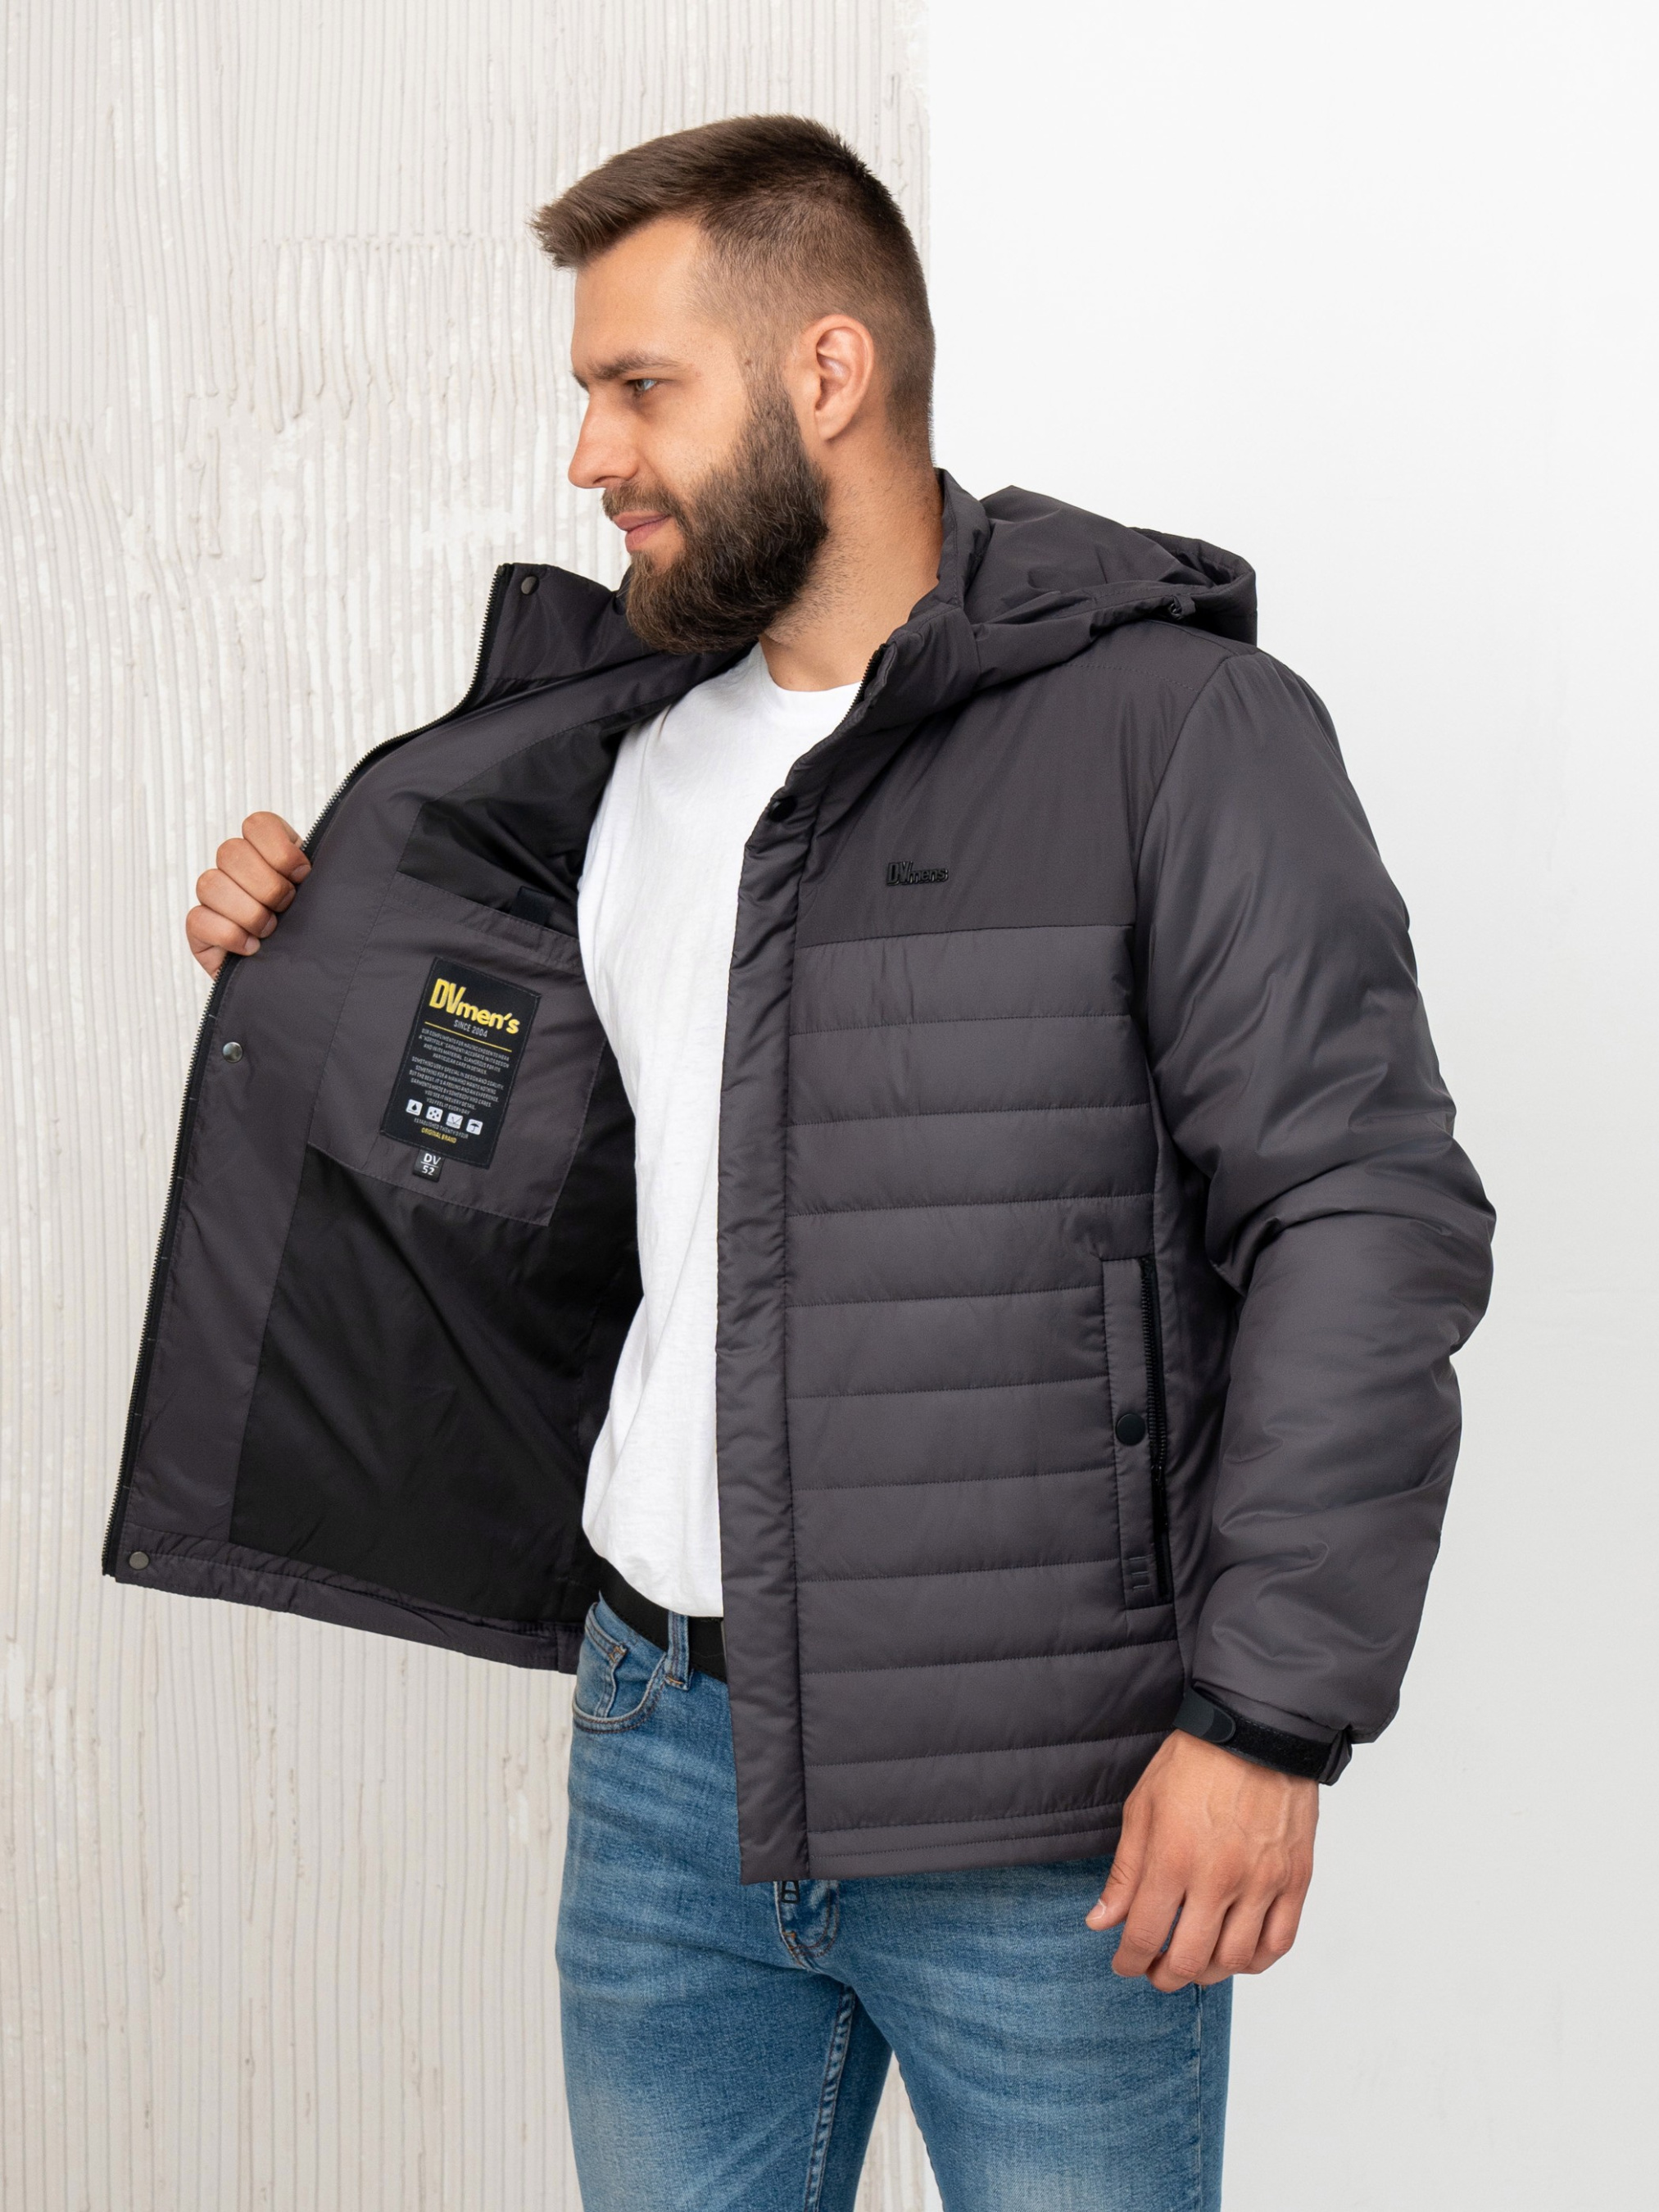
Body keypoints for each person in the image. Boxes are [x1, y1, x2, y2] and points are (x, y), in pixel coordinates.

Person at [119, 115, 1494, 2211]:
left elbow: (1358, 1212)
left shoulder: (1170, 732)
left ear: (825, 373)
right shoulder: (615, 757)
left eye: (637, 388)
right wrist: (315, 942)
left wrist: (1264, 1720)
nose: (589, 457)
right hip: (658, 1753)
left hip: (1042, 1799)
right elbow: (541, 1174)